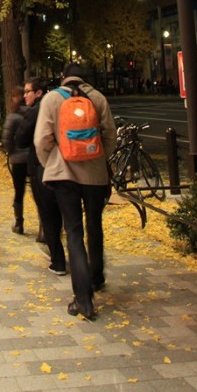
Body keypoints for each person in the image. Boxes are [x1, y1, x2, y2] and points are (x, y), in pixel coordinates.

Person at [34, 63, 117, 321]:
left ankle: (83, 299)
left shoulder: (51, 99)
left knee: (73, 231)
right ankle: (96, 276)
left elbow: (41, 140)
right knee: (94, 224)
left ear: (62, 76)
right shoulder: (98, 98)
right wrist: (101, 161)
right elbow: (111, 136)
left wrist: (53, 164)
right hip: (94, 174)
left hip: (65, 174)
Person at [15, 76, 67, 276]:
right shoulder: (63, 104)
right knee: (65, 213)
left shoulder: (36, 111)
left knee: (48, 213)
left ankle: (58, 260)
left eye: (28, 91)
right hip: (66, 166)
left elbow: (21, 139)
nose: (24, 95)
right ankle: (73, 256)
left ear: (38, 93)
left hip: (42, 167)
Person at [0, 85, 29, 235]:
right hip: (32, 158)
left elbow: (7, 138)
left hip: (18, 159)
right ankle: (44, 226)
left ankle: (19, 222)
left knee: (19, 191)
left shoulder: (13, 117)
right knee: (38, 191)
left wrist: (9, 151)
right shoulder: (31, 114)